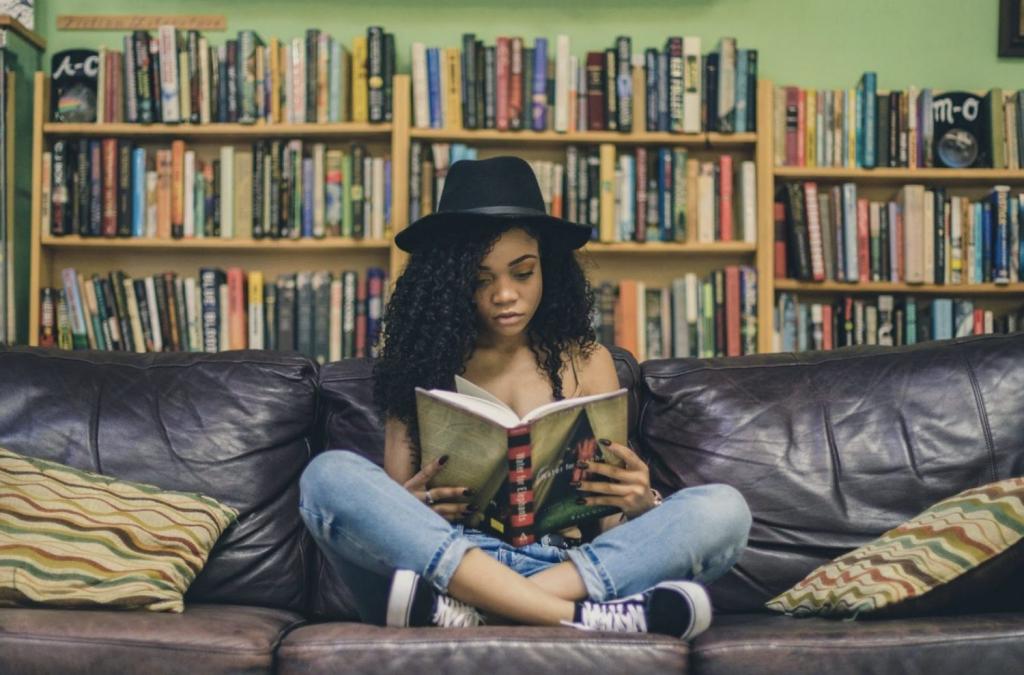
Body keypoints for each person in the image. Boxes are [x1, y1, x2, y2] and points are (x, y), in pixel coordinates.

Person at [298, 155, 751, 639]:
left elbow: (609, 525)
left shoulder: (589, 361)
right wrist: (410, 506)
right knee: (327, 477)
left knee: (725, 510)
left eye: (522, 272)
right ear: (450, 284)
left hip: (566, 565)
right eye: (480, 279)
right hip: (450, 563)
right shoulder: (416, 363)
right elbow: (392, 520)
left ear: (548, 271)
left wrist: (642, 504)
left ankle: (490, 612)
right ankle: (578, 618)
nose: (505, 295)